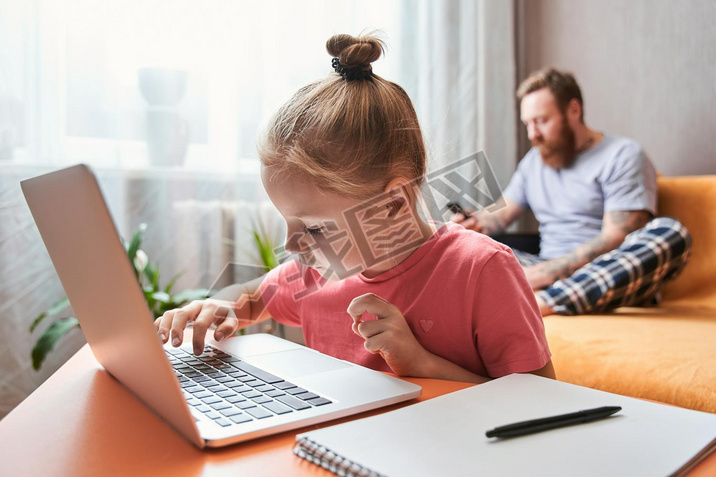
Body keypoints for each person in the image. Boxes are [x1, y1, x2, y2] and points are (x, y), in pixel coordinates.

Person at [155, 33, 554, 384]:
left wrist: (422, 363)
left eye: (313, 228)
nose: (293, 246)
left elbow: (540, 404)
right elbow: (250, 297)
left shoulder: (481, 271)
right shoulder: (317, 272)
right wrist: (219, 306)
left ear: (393, 203)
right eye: (288, 223)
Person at [453, 68, 691, 316]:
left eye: (542, 121)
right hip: (541, 267)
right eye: (528, 124)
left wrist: (540, 275)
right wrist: (471, 225)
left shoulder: (622, 155)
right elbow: (499, 215)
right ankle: (543, 293)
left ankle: (540, 302)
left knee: (672, 234)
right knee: (461, 246)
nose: (533, 134)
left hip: (607, 272)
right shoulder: (534, 161)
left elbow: (616, 239)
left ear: (573, 110)